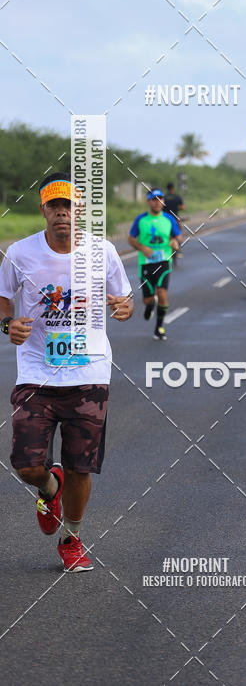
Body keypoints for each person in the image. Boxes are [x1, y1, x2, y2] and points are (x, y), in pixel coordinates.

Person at [0, 172, 133, 572]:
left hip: (89, 374)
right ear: (43, 209)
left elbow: (123, 296)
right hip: (37, 373)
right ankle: (48, 486)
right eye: (55, 205)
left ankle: (71, 538)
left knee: (81, 466)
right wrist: (8, 326)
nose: (62, 213)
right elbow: (4, 300)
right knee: (25, 464)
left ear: (80, 212)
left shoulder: (103, 251)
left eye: (69, 206)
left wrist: (124, 308)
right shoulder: (19, 254)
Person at [128, 189, 180, 340]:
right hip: (146, 263)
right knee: (148, 299)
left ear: (163, 201)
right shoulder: (141, 219)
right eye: (154, 199)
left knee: (162, 293)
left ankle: (159, 327)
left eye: (160, 199)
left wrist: (174, 241)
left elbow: (178, 236)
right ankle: (150, 305)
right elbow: (131, 239)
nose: (157, 202)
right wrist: (142, 248)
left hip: (164, 261)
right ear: (148, 201)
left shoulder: (169, 219)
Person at [163, 183, 186, 267]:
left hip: (165, 220)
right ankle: (178, 250)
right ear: (173, 188)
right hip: (175, 219)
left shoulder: (164, 198)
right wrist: (177, 207)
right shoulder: (177, 197)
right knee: (178, 234)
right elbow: (183, 207)